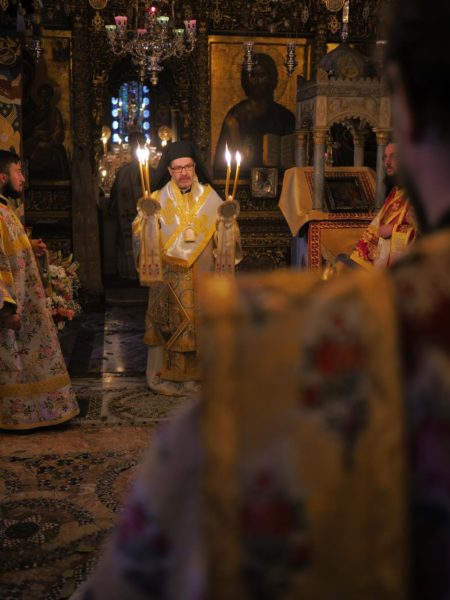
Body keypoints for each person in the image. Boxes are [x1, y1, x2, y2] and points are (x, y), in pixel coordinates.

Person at [73, 0, 450, 597]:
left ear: (401, 116)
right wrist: (149, 220)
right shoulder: (393, 212)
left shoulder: (281, 352)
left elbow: (145, 572)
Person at [133, 140, 241, 397]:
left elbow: (228, 237)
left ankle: (202, 377)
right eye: (178, 168)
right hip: (168, 276)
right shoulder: (155, 199)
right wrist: (147, 223)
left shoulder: (211, 197)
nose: (183, 173)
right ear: (169, 170)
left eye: (188, 167)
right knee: (168, 322)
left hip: (203, 272)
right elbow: (138, 234)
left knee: (202, 322)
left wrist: (227, 225)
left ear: (195, 167)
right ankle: (163, 376)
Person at [0, 150, 79, 430]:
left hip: (26, 308)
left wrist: (30, 248)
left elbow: (12, 253)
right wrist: (7, 307)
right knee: (14, 366)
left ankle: (34, 413)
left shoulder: (5, 209)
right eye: (18, 172)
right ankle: (18, 416)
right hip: (12, 310)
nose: (23, 178)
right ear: (2, 177)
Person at [214, 53, 295, 174]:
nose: (256, 81)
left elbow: (293, 162)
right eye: (252, 75)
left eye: (262, 75)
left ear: (272, 78)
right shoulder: (236, 116)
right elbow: (222, 165)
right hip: (241, 179)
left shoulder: (285, 117)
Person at [349, 141, 417, 268]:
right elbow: (375, 227)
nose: (387, 162)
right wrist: (359, 256)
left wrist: (393, 230)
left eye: (393, 156)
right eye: (385, 157)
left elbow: (431, 238)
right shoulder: (396, 192)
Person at [108, 131, 147, 279]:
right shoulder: (125, 171)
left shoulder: (146, 169)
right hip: (130, 213)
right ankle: (132, 272)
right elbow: (114, 194)